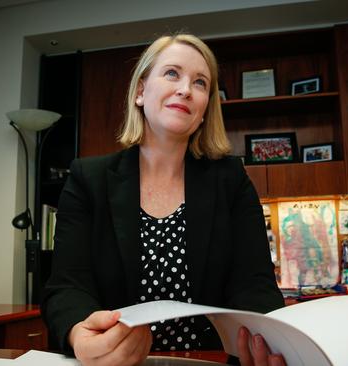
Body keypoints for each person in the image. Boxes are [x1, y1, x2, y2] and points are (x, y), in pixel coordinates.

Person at [41, 33, 285, 366]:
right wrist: (80, 333)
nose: (186, 88)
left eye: (200, 83)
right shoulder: (88, 179)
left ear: (203, 111)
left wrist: (265, 338)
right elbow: (67, 287)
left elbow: (255, 283)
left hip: (209, 360)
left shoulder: (231, 180)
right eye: (172, 73)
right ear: (141, 91)